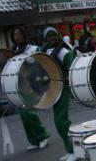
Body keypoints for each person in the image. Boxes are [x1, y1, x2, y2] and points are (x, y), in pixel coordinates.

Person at [10, 27, 49, 150]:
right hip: (20, 85)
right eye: (14, 34)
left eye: (19, 34)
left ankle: (43, 136)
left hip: (33, 83)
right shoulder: (13, 51)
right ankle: (34, 140)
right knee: (23, 114)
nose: (17, 37)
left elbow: (40, 63)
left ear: (23, 35)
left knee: (30, 113)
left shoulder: (33, 49)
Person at [41, 27, 76, 161]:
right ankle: (70, 149)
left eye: (54, 35)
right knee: (59, 121)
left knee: (61, 120)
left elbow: (73, 69)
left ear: (58, 36)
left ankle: (75, 150)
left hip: (63, 88)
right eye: (49, 36)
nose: (52, 39)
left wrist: (66, 78)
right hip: (51, 89)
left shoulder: (64, 52)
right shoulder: (43, 51)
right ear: (45, 39)